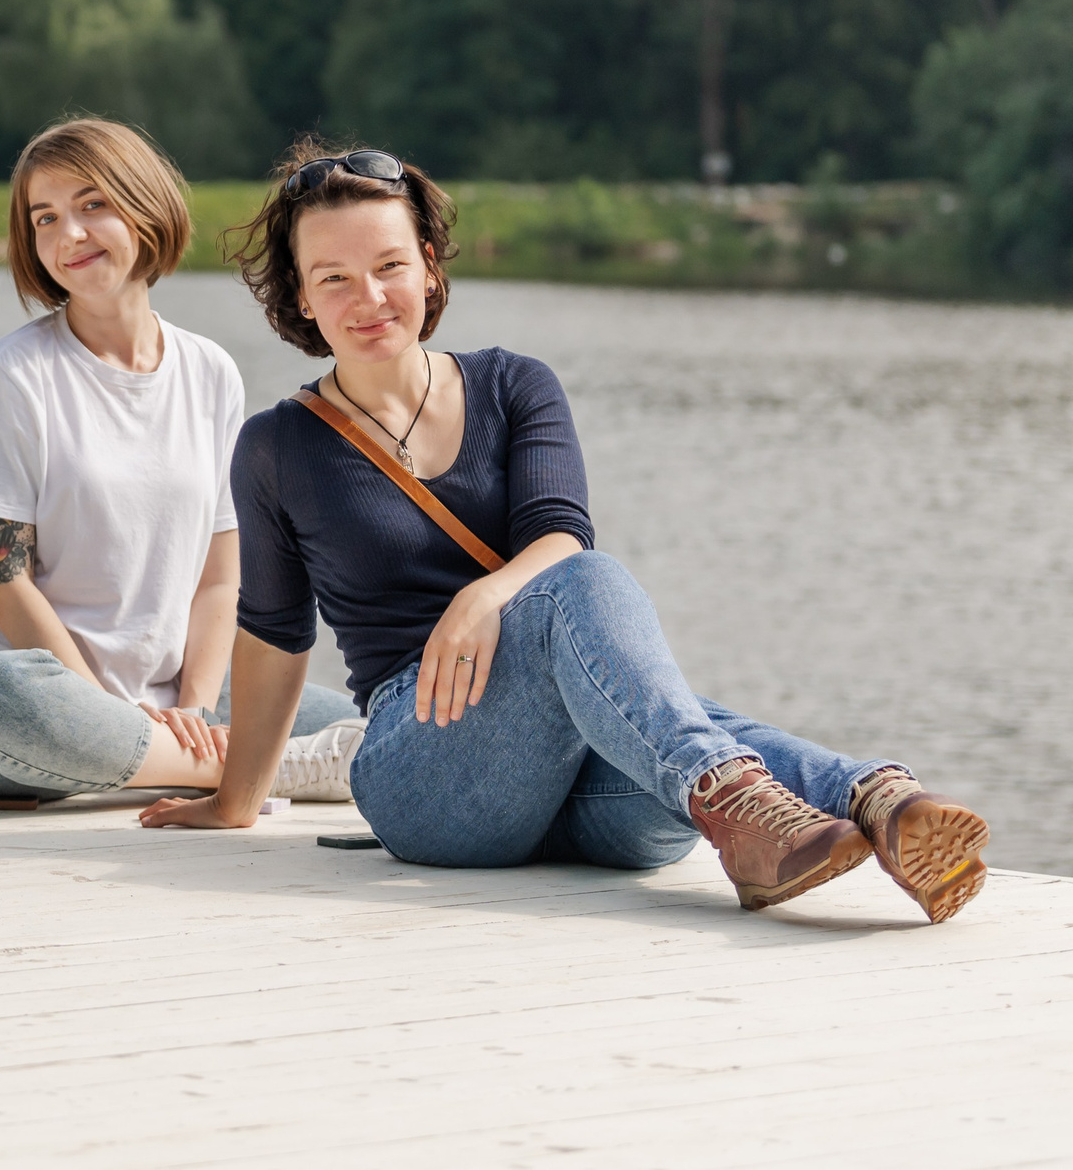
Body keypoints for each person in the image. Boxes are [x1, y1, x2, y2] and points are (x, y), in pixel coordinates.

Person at [140, 142, 991, 924]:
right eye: (334, 278)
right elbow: (274, 633)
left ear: (429, 267)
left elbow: (559, 531)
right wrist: (234, 800)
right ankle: (852, 792)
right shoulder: (278, 446)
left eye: (390, 265)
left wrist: (486, 593)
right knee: (589, 592)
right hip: (428, 770)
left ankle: (869, 814)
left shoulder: (515, 387)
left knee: (623, 658)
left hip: (590, 803)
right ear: (298, 295)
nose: (368, 298)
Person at [0, 119, 366, 804]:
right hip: (40, 705)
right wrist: (112, 715)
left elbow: (222, 578)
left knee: (362, 718)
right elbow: (3, 580)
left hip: (172, 704)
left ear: (144, 203)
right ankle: (260, 767)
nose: (68, 233)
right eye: (46, 218)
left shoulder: (210, 371)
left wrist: (192, 707)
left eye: (92, 203)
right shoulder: (13, 373)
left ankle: (202, 754)